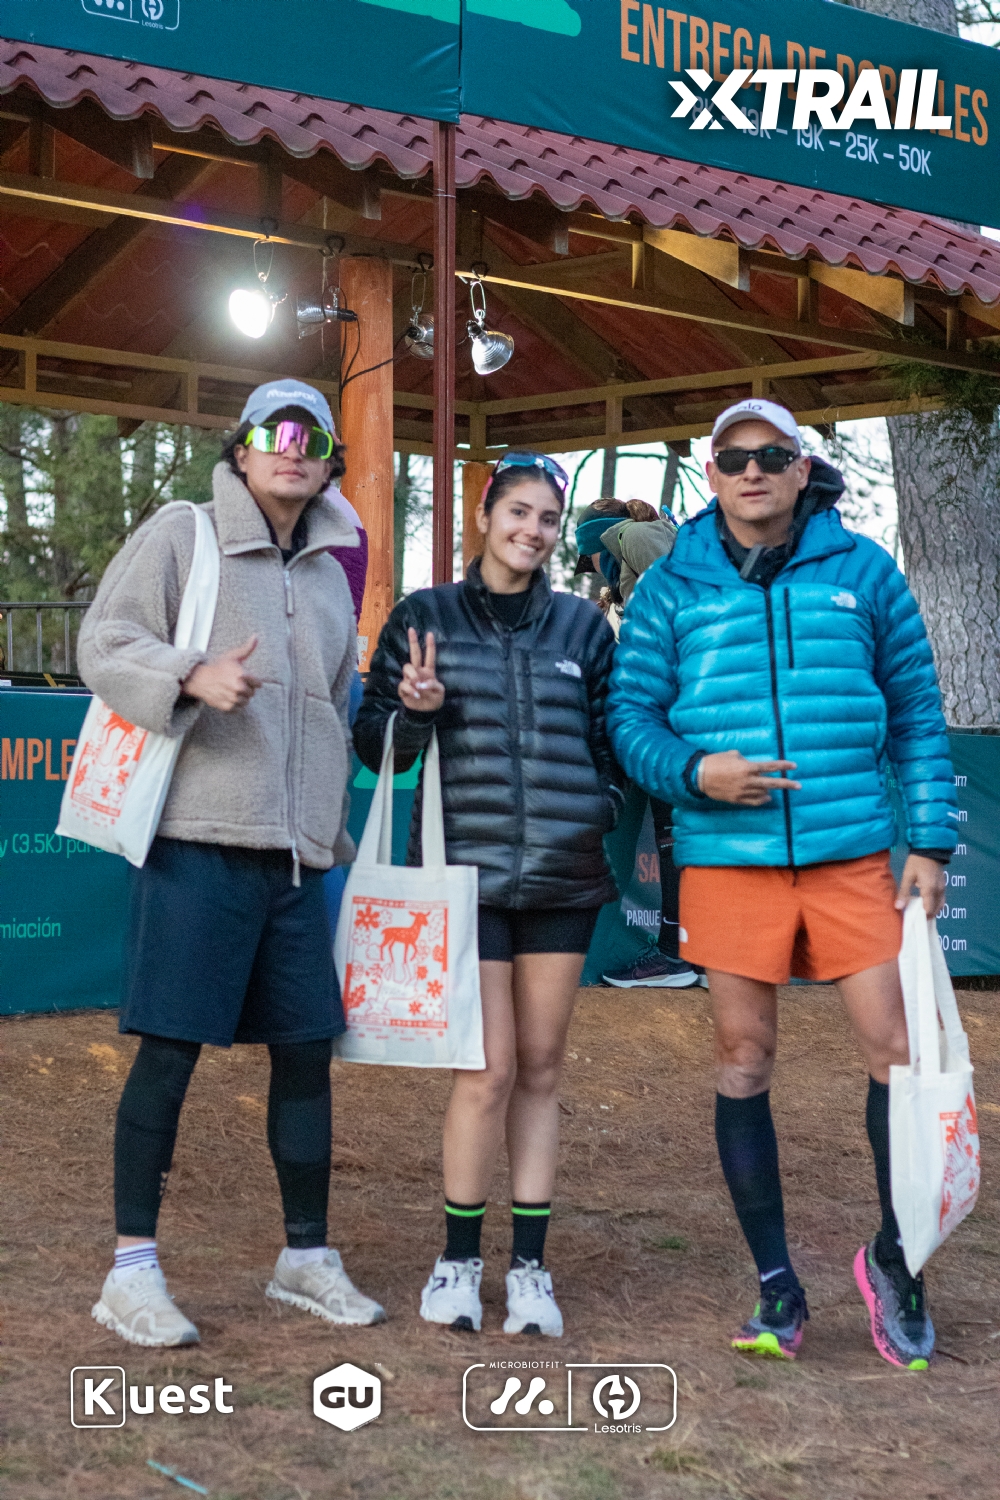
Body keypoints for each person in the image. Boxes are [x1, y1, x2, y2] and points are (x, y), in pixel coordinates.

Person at [607, 399, 958, 1369]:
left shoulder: (864, 571)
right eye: (733, 459)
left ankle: (897, 1262)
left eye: (772, 455)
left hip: (850, 855)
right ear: (711, 475)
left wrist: (930, 840)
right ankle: (776, 1284)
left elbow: (917, 710)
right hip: (728, 859)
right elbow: (629, 718)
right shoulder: (669, 586)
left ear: (803, 469)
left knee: (896, 1053)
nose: (752, 471)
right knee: (742, 1058)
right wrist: (694, 773)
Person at [78, 378, 385, 1347]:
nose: (294, 448)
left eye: (314, 438)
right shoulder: (185, 534)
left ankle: (305, 1258)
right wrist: (190, 673)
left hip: (297, 861)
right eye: (275, 432)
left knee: (306, 1060)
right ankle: (130, 1271)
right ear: (242, 449)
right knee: (168, 1055)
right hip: (196, 844)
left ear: (329, 464)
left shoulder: (332, 577)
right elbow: (103, 642)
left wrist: (334, 824)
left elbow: (333, 712)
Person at [353, 452, 622, 1338]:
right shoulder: (424, 617)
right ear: (483, 516)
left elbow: (611, 738)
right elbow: (373, 744)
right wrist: (416, 710)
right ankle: (458, 1263)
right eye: (517, 512)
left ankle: (531, 1271)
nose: (532, 531)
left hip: (562, 878)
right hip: (462, 879)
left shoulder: (584, 627)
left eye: (547, 518)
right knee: (487, 1070)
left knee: (541, 1070)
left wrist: (600, 805)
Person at [574, 499, 700, 990]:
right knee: (679, 833)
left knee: (676, 833)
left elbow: (682, 608)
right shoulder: (634, 560)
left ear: (596, 543)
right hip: (678, 702)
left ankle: (676, 956)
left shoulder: (633, 537)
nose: (593, 569)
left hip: (675, 706)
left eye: (590, 559)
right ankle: (690, 953)